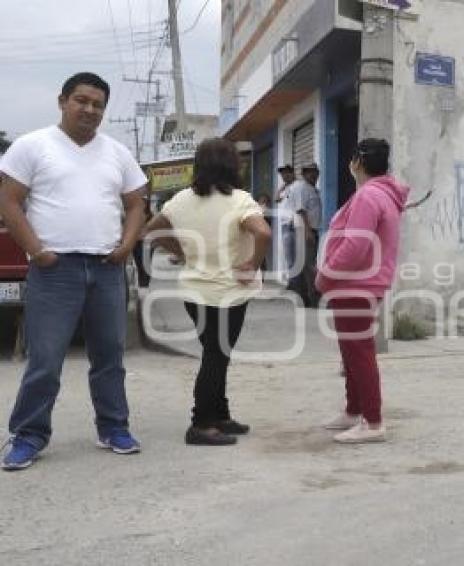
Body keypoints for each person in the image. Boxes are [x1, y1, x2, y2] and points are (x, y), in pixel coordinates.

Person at [0, 72, 148, 470]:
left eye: (98, 104)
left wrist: (127, 244)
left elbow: (137, 202)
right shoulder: (33, 146)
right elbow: (10, 202)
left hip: (106, 268)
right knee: (45, 358)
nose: (90, 109)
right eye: (81, 100)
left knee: (109, 355)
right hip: (54, 269)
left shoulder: (117, 152)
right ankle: (28, 435)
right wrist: (36, 251)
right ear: (62, 101)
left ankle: (114, 427)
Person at [143, 138, 271, 446]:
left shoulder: (180, 200)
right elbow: (263, 231)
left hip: (193, 293)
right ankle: (200, 423)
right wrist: (252, 263)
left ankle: (220, 415)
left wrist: (184, 252)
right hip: (230, 293)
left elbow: (151, 231)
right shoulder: (240, 199)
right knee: (216, 356)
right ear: (231, 165)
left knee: (216, 354)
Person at [316, 139, 409, 444]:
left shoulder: (369, 195)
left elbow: (355, 245)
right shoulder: (379, 194)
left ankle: (372, 421)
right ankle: (354, 410)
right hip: (359, 283)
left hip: (356, 284)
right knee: (351, 351)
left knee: (359, 354)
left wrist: (325, 275)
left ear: (357, 161)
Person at [286, 163, 322, 307]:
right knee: (309, 266)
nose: (314, 175)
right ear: (304, 173)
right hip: (304, 231)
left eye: (315, 172)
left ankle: (304, 299)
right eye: (310, 172)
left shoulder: (311, 189)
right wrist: (308, 231)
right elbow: (301, 210)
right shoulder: (301, 187)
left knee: (305, 265)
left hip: (309, 230)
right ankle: (313, 299)